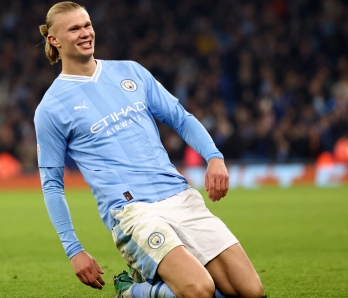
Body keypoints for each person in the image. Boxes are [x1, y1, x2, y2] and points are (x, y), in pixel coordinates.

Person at [34, 2, 264, 298]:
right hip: (131, 210)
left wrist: (214, 157)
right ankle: (131, 292)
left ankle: (150, 283)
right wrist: (74, 250)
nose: (85, 33)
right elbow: (52, 185)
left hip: (178, 195)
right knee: (199, 290)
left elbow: (180, 118)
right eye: (74, 28)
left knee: (249, 291)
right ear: (54, 40)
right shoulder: (51, 108)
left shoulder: (130, 71)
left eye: (87, 25)